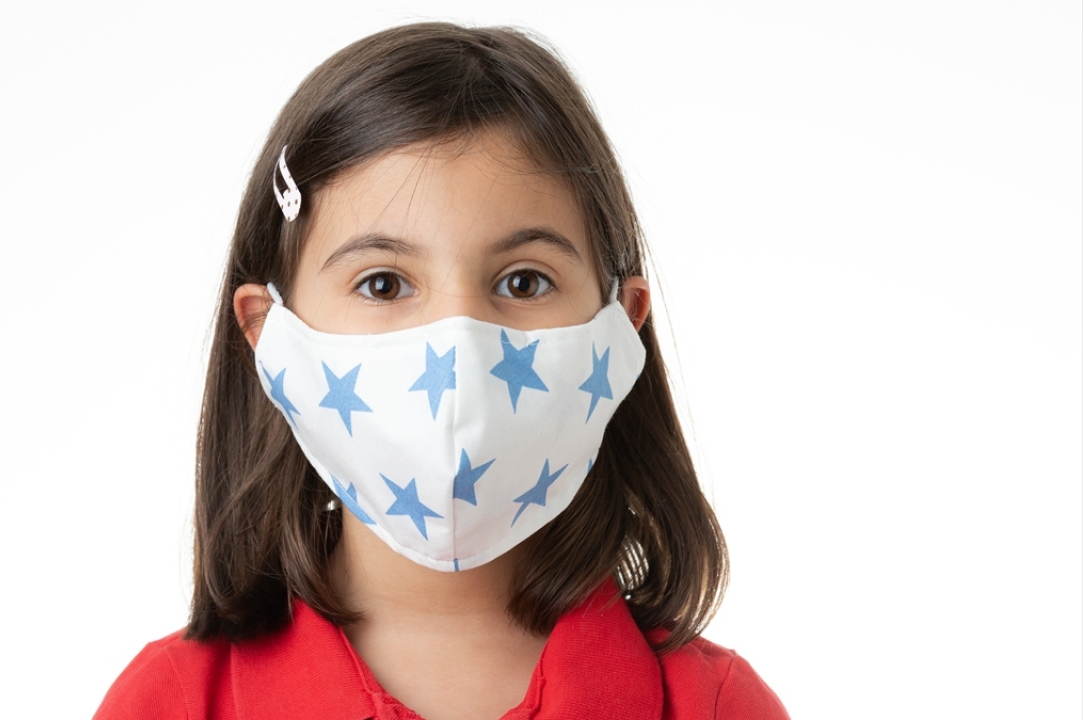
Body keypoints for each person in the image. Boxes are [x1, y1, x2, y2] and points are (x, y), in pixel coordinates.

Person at [94, 22, 789, 720]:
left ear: (621, 324)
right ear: (268, 334)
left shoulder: (715, 706)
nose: (459, 348)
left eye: (523, 282)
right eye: (384, 285)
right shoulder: (172, 703)